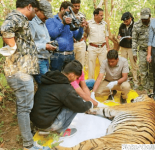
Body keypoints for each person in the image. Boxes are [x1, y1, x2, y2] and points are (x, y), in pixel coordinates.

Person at [0, 0, 49, 149]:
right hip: (19, 72)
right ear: (29, 6)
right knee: (24, 108)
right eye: (34, 9)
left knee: (24, 106)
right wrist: (13, 47)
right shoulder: (16, 17)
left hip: (22, 71)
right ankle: (29, 144)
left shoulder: (20, 19)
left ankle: (29, 136)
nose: (35, 13)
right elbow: (5, 29)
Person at [30, 60, 95, 137]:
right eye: (76, 78)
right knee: (75, 103)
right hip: (47, 125)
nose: (75, 80)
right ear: (71, 75)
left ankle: (42, 128)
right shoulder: (65, 88)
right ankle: (60, 131)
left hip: (36, 121)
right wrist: (90, 103)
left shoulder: (51, 79)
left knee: (69, 101)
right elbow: (80, 106)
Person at [46, 1, 86, 71]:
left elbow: (77, 37)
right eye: (67, 12)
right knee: (56, 77)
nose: (69, 14)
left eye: (70, 13)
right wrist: (63, 23)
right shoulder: (51, 19)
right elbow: (52, 35)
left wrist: (81, 28)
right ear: (62, 9)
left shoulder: (70, 20)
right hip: (57, 55)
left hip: (70, 55)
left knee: (69, 79)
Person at [29, 0, 56, 85]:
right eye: (45, 14)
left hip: (45, 59)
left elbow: (41, 40)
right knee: (45, 86)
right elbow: (29, 45)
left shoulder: (43, 22)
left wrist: (49, 44)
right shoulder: (32, 23)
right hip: (38, 60)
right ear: (37, 10)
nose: (46, 17)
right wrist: (45, 46)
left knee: (45, 85)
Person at [132, 8, 153, 93]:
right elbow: (134, 40)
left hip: (153, 51)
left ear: (150, 16)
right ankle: (145, 87)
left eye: (146, 18)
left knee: (152, 70)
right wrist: (134, 52)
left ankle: (152, 87)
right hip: (142, 51)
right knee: (143, 71)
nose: (144, 20)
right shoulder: (136, 25)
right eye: (143, 18)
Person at [85, 8, 109, 79]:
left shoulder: (104, 24)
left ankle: (103, 82)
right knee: (91, 66)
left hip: (102, 48)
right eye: (101, 15)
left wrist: (108, 48)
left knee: (103, 66)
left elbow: (106, 36)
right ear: (96, 15)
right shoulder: (88, 24)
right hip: (92, 48)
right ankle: (90, 83)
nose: (102, 17)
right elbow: (85, 36)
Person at [118, 12, 138, 89]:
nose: (125, 23)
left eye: (126, 21)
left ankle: (135, 82)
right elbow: (119, 34)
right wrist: (119, 36)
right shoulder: (122, 26)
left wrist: (132, 38)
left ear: (130, 18)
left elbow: (138, 36)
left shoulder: (135, 25)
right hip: (123, 47)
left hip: (131, 47)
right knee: (123, 64)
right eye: (124, 21)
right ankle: (124, 80)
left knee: (133, 65)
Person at [71, 0, 87, 67]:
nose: (77, 8)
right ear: (71, 6)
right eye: (75, 6)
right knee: (70, 66)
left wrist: (85, 38)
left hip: (81, 43)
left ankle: (80, 78)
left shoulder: (82, 15)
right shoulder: (67, 15)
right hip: (71, 44)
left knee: (80, 65)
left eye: (78, 6)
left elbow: (86, 29)